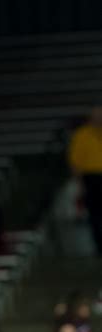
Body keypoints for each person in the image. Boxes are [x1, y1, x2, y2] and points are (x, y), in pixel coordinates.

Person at [68, 106, 102, 255]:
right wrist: (80, 184)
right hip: (92, 178)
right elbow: (75, 163)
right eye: (97, 116)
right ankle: (99, 246)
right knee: (96, 213)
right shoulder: (81, 135)